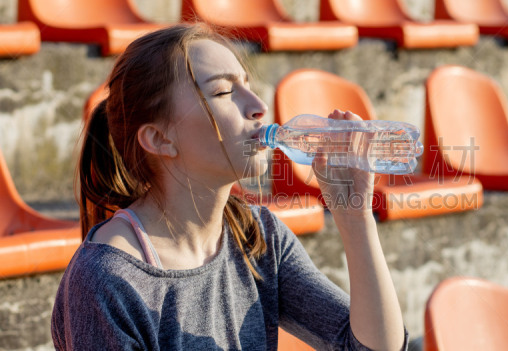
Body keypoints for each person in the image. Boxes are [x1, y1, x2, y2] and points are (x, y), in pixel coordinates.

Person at [51, 23, 407, 350]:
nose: (259, 107)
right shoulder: (105, 280)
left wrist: (355, 215)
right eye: (223, 92)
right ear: (160, 138)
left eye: (247, 86)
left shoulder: (257, 236)